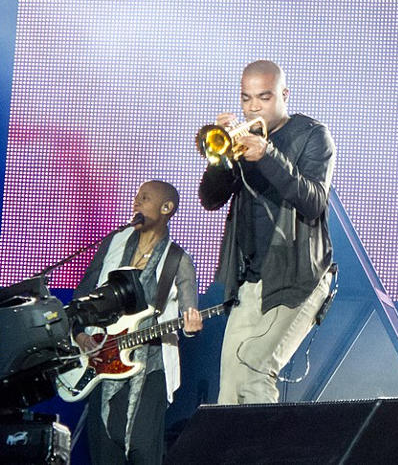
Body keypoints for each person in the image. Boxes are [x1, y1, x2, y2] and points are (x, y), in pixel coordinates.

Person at [199, 59, 335, 405]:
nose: (253, 107)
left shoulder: (312, 135)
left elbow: (314, 202)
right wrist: (221, 158)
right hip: (252, 280)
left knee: (255, 371)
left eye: (263, 97)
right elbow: (210, 199)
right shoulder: (240, 141)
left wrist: (268, 154)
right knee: (230, 390)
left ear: (284, 95)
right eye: (246, 99)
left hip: (297, 278)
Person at [73, 180, 201, 465]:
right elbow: (82, 296)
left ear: (166, 208)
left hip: (151, 366)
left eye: (144, 198)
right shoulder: (113, 243)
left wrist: (191, 325)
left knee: (143, 450)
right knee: (105, 450)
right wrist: (81, 337)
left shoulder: (178, 260)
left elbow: (190, 311)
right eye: (136, 197)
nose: (136, 202)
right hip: (102, 359)